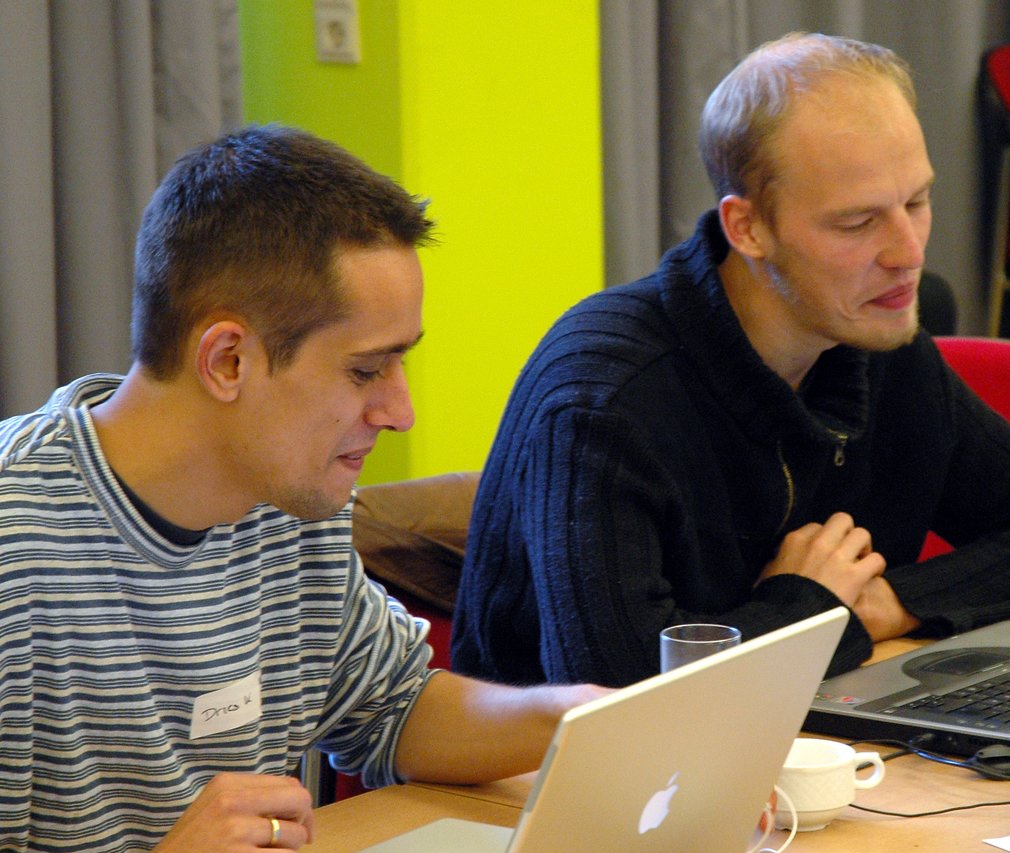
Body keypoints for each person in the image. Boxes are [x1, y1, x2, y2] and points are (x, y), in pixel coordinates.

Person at [0, 125, 601, 853]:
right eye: (364, 370)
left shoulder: (288, 499)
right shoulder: (17, 543)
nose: (399, 411)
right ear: (227, 360)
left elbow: (396, 706)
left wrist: (579, 715)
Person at [450, 33, 1010, 688]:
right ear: (749, 229)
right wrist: (808, 608)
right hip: (537, 783)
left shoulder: (871, 337)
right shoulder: (605, 397)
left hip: (789, 733)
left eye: (916, 202)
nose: (907, 252)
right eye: (857, 223)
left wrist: (883, 603)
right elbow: (615, 689)